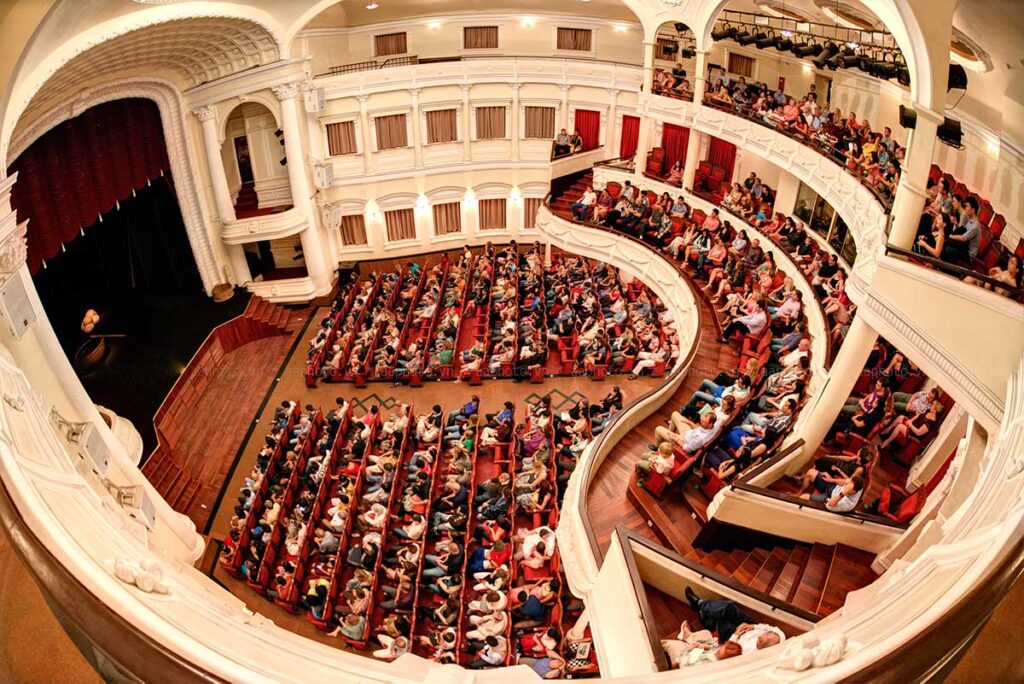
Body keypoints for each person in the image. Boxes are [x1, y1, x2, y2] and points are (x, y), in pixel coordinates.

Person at [684, 589, 785, 653]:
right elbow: (770, 628)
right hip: (749, 625)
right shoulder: (780, 637)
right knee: (729, 607)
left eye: (760, 640)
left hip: (735, 638)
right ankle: (699, 604)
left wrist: (736, 635)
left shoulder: (749, 654)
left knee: (722, 620)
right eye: (765, 634)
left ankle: (702, 612)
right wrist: (753, 627)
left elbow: (732, 650)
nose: (758, 636)